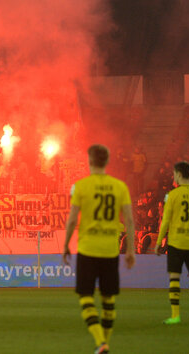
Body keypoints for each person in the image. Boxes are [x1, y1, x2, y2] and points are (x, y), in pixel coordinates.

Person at [63, 144, 136, 354]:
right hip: (110, 250)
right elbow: (129, 221)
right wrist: (130, 250)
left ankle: (100, 342)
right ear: (107, 161)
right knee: (108, 299)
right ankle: (105, 343)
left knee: (85, 296)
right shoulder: (120, 186)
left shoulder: (81, 186)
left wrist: (66, 245)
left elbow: (71, 220)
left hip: (88, 249)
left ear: (90, 161)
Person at [156, 162, 189, 325]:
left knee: (174, 278)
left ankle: (175, 316)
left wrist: (158, 242)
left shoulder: (173, 195)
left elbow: (165, 222)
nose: (173, 177)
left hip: (176, 242)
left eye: (174, 174)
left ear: (178, 174)